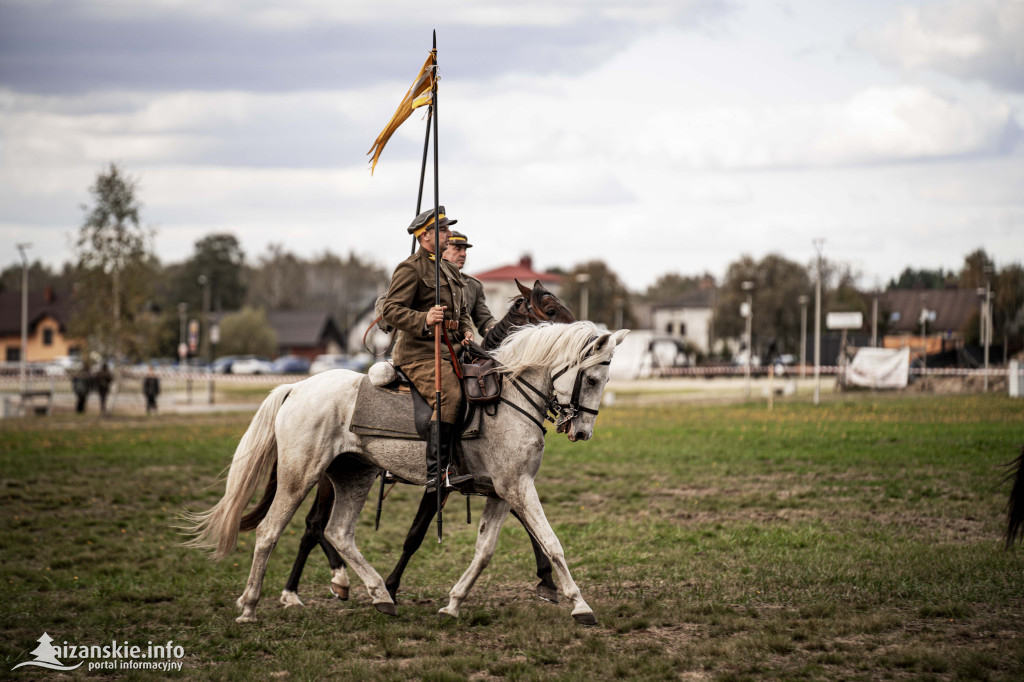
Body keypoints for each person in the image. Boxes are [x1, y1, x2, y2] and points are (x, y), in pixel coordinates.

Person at [381, 206, 475, 492]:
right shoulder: (410, 268)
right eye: (443, 230)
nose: (448, 234)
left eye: (447, 229)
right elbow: (390, 310)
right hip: (419, 354)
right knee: (449, 395)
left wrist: (467, 328)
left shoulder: (448, 268)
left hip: (452, 349)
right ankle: (437, 472)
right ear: (425, 236)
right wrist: (424, 318)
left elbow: (463, 310)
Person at [443, 230, 496, 338]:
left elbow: (484, 320)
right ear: (443, 249)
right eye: (457, 249)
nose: (463, 254)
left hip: (460, 347)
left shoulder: (473, 285)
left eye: (465, 250)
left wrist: (496, 328)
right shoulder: (428, 277)